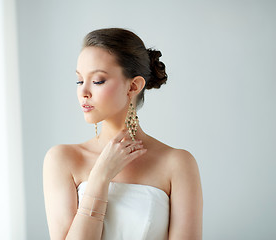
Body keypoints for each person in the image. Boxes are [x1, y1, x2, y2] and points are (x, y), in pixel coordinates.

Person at [43, 27, 203, 240]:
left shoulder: (178, 163)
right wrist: (100, 176)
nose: (83, 92)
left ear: (133, 86)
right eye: (79, 81)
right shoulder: (62, 159)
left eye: (98, 80)